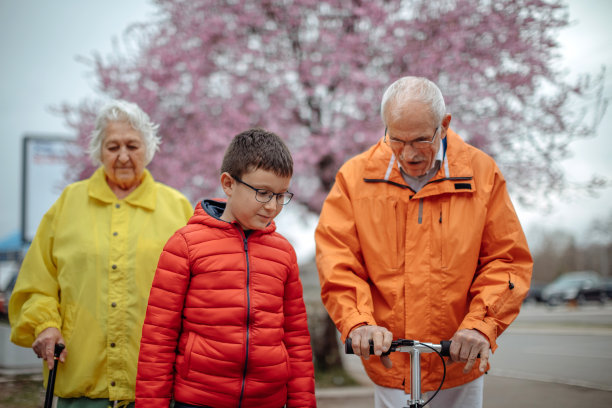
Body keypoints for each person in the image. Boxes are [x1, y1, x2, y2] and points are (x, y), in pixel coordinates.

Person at [315, 76, 533, 408]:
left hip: (459, 363)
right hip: (392, 364)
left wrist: (480, 325)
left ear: (443, 125)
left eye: (420, 139)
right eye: (397, 140)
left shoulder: (481, 173)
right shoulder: (354, 178)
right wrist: (358, 321)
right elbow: (337, 259)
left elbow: (506, 260)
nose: (409, 153)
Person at [9, 99, 193, 408]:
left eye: (133, 146)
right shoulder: (68, 204)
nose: (123, 156)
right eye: (112, 147)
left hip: (157, 390)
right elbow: (36, 285)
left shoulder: (177, 208)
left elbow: (200, 294)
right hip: (81, 386)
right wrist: (45, 324)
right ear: (98, 149)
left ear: (148, 148)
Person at [135, 128, 316, 408]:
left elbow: (297, 339)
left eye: (281, 196)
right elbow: (158, 337)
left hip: (268, 402)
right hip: (199, 400)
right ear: (228, 184)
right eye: (263, 193)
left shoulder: (284, 252)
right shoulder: (184, 245)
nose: (272, 206)